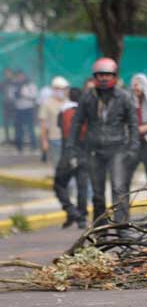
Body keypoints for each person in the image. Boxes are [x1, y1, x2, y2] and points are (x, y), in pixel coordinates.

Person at [69, 57, 139, 225]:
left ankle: (121, 226)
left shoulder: (124, 96)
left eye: (107, 75)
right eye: (100, 75)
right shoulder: (87, 97)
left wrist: (133, 147)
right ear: (95, 76)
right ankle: (100, 229)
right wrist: (71, 146)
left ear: (114, 76)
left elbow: (133, 123)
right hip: (93, 150)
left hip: (117, 150)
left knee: (118, 189)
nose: (104, 78)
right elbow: (77, 122)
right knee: (98, 193)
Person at [125, 73, 147, 217]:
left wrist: (143, 128)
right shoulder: (128, 102)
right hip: (132, 143)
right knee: (124, 177)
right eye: (134, 83)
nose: (136, 87)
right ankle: (123, 211)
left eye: (139, 84)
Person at [54, 87, 89, 229]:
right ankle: (81, 217)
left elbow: (61, 128)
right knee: (82, 187)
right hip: (85, 153)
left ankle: (71, 211)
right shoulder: (87, 113)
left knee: (59, 184)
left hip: (68, 153)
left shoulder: (65, 112)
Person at [39, 76, 70, 174]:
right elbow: (43, 124)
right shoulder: (47, 103)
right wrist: (44, 141)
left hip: (69, 139)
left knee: (69, 165)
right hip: (54, 139)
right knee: (57, 165)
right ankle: (61, 186)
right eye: (59, 88)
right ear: (54, 89)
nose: (62, 91)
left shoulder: (69, 102)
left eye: (64, 89)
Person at [12, 70, 38, 153]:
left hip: (28, 109)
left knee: (30, 128)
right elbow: (12, 95)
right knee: (18, 129)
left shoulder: (30, 84)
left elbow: (34, 96)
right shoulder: (15, 85)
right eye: (18, 76)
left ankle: (33, 146)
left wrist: (24, 94)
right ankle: (19, 147)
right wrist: (16, 95)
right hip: (18, 109)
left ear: (24, 76)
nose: (20, 77)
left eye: (21, 76)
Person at [1, 68, 16, 144]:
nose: (8, 75)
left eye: (9, 73)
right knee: (6, 122)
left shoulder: (15, 82)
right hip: (6, 105)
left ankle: (16, 137)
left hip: (14, 105)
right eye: (6, 73)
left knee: (15, 122)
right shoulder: (3, 82)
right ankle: (7, 138)